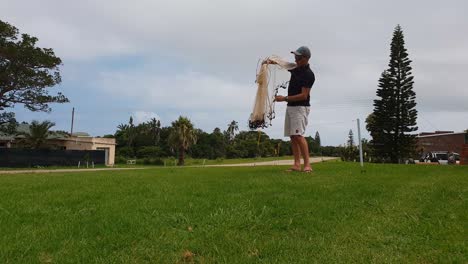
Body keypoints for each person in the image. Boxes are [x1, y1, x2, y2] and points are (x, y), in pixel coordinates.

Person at [263, 46, 315, 172]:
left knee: (298, 135)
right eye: (295, 56)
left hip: (300, 108)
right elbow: (284, 64)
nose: (295, 59)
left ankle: (307, 165)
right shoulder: (295, 67)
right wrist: (270, 62)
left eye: (298, 57)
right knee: (292, 136)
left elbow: (304, 95)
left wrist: (284, 98)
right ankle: (296, 164)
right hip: (291, 107)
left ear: (305, 58)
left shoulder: (309, 74)